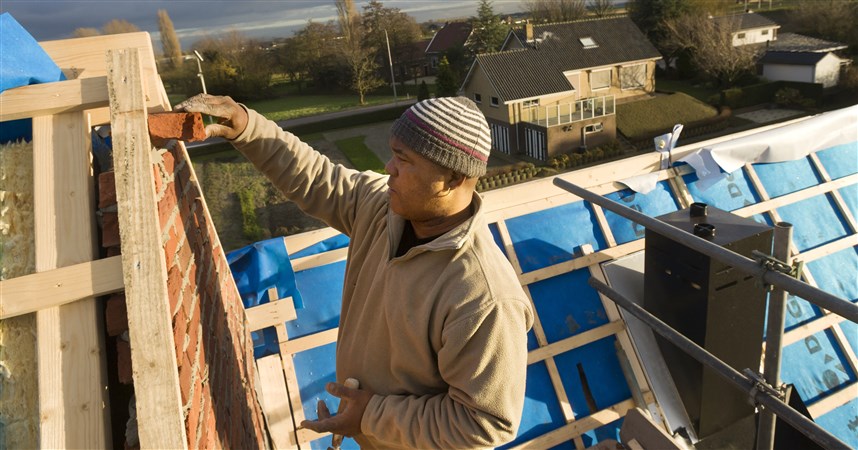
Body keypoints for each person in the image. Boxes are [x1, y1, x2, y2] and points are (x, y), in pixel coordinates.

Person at [176, 94, 534, 449]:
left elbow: (486, 423)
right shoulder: (383, 207)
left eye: (403, 160)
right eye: (393, 153)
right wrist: (246, 126)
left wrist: (370, 416)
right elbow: (317, 177)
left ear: (453, 179)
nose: (388, 168)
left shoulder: (483, 296)